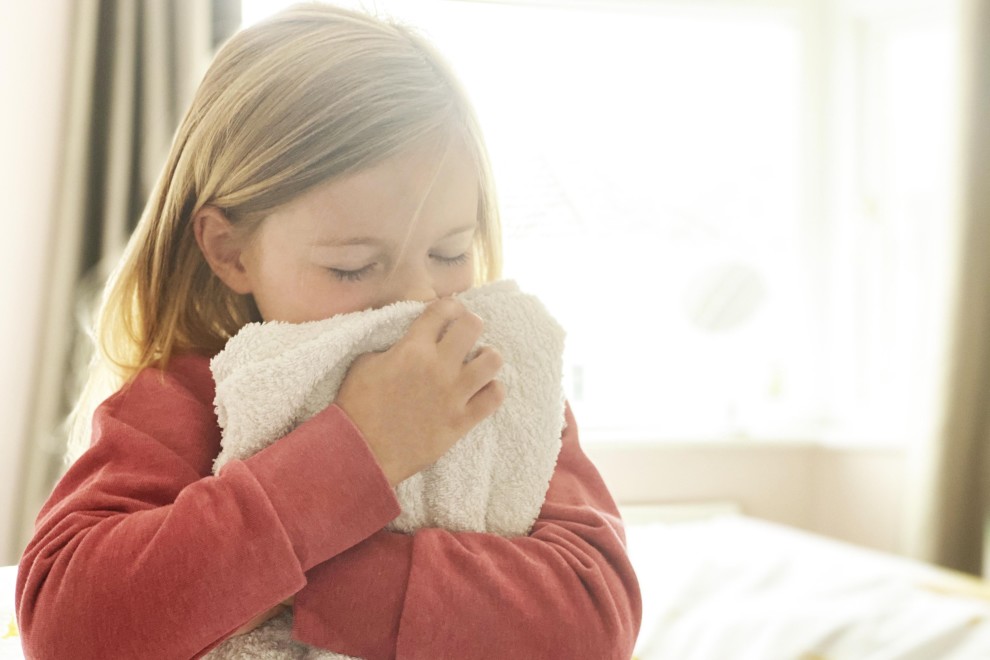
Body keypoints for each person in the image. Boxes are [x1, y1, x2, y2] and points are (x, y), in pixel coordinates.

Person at [15, 4, 642, 658]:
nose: (415, 299)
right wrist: (356, 451)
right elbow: (68, 630)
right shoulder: (183, 396)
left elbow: (595, 622)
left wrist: (303, 582)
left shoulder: (492, 379)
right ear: (230, 252)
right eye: (354, 266)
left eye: (450, 252)